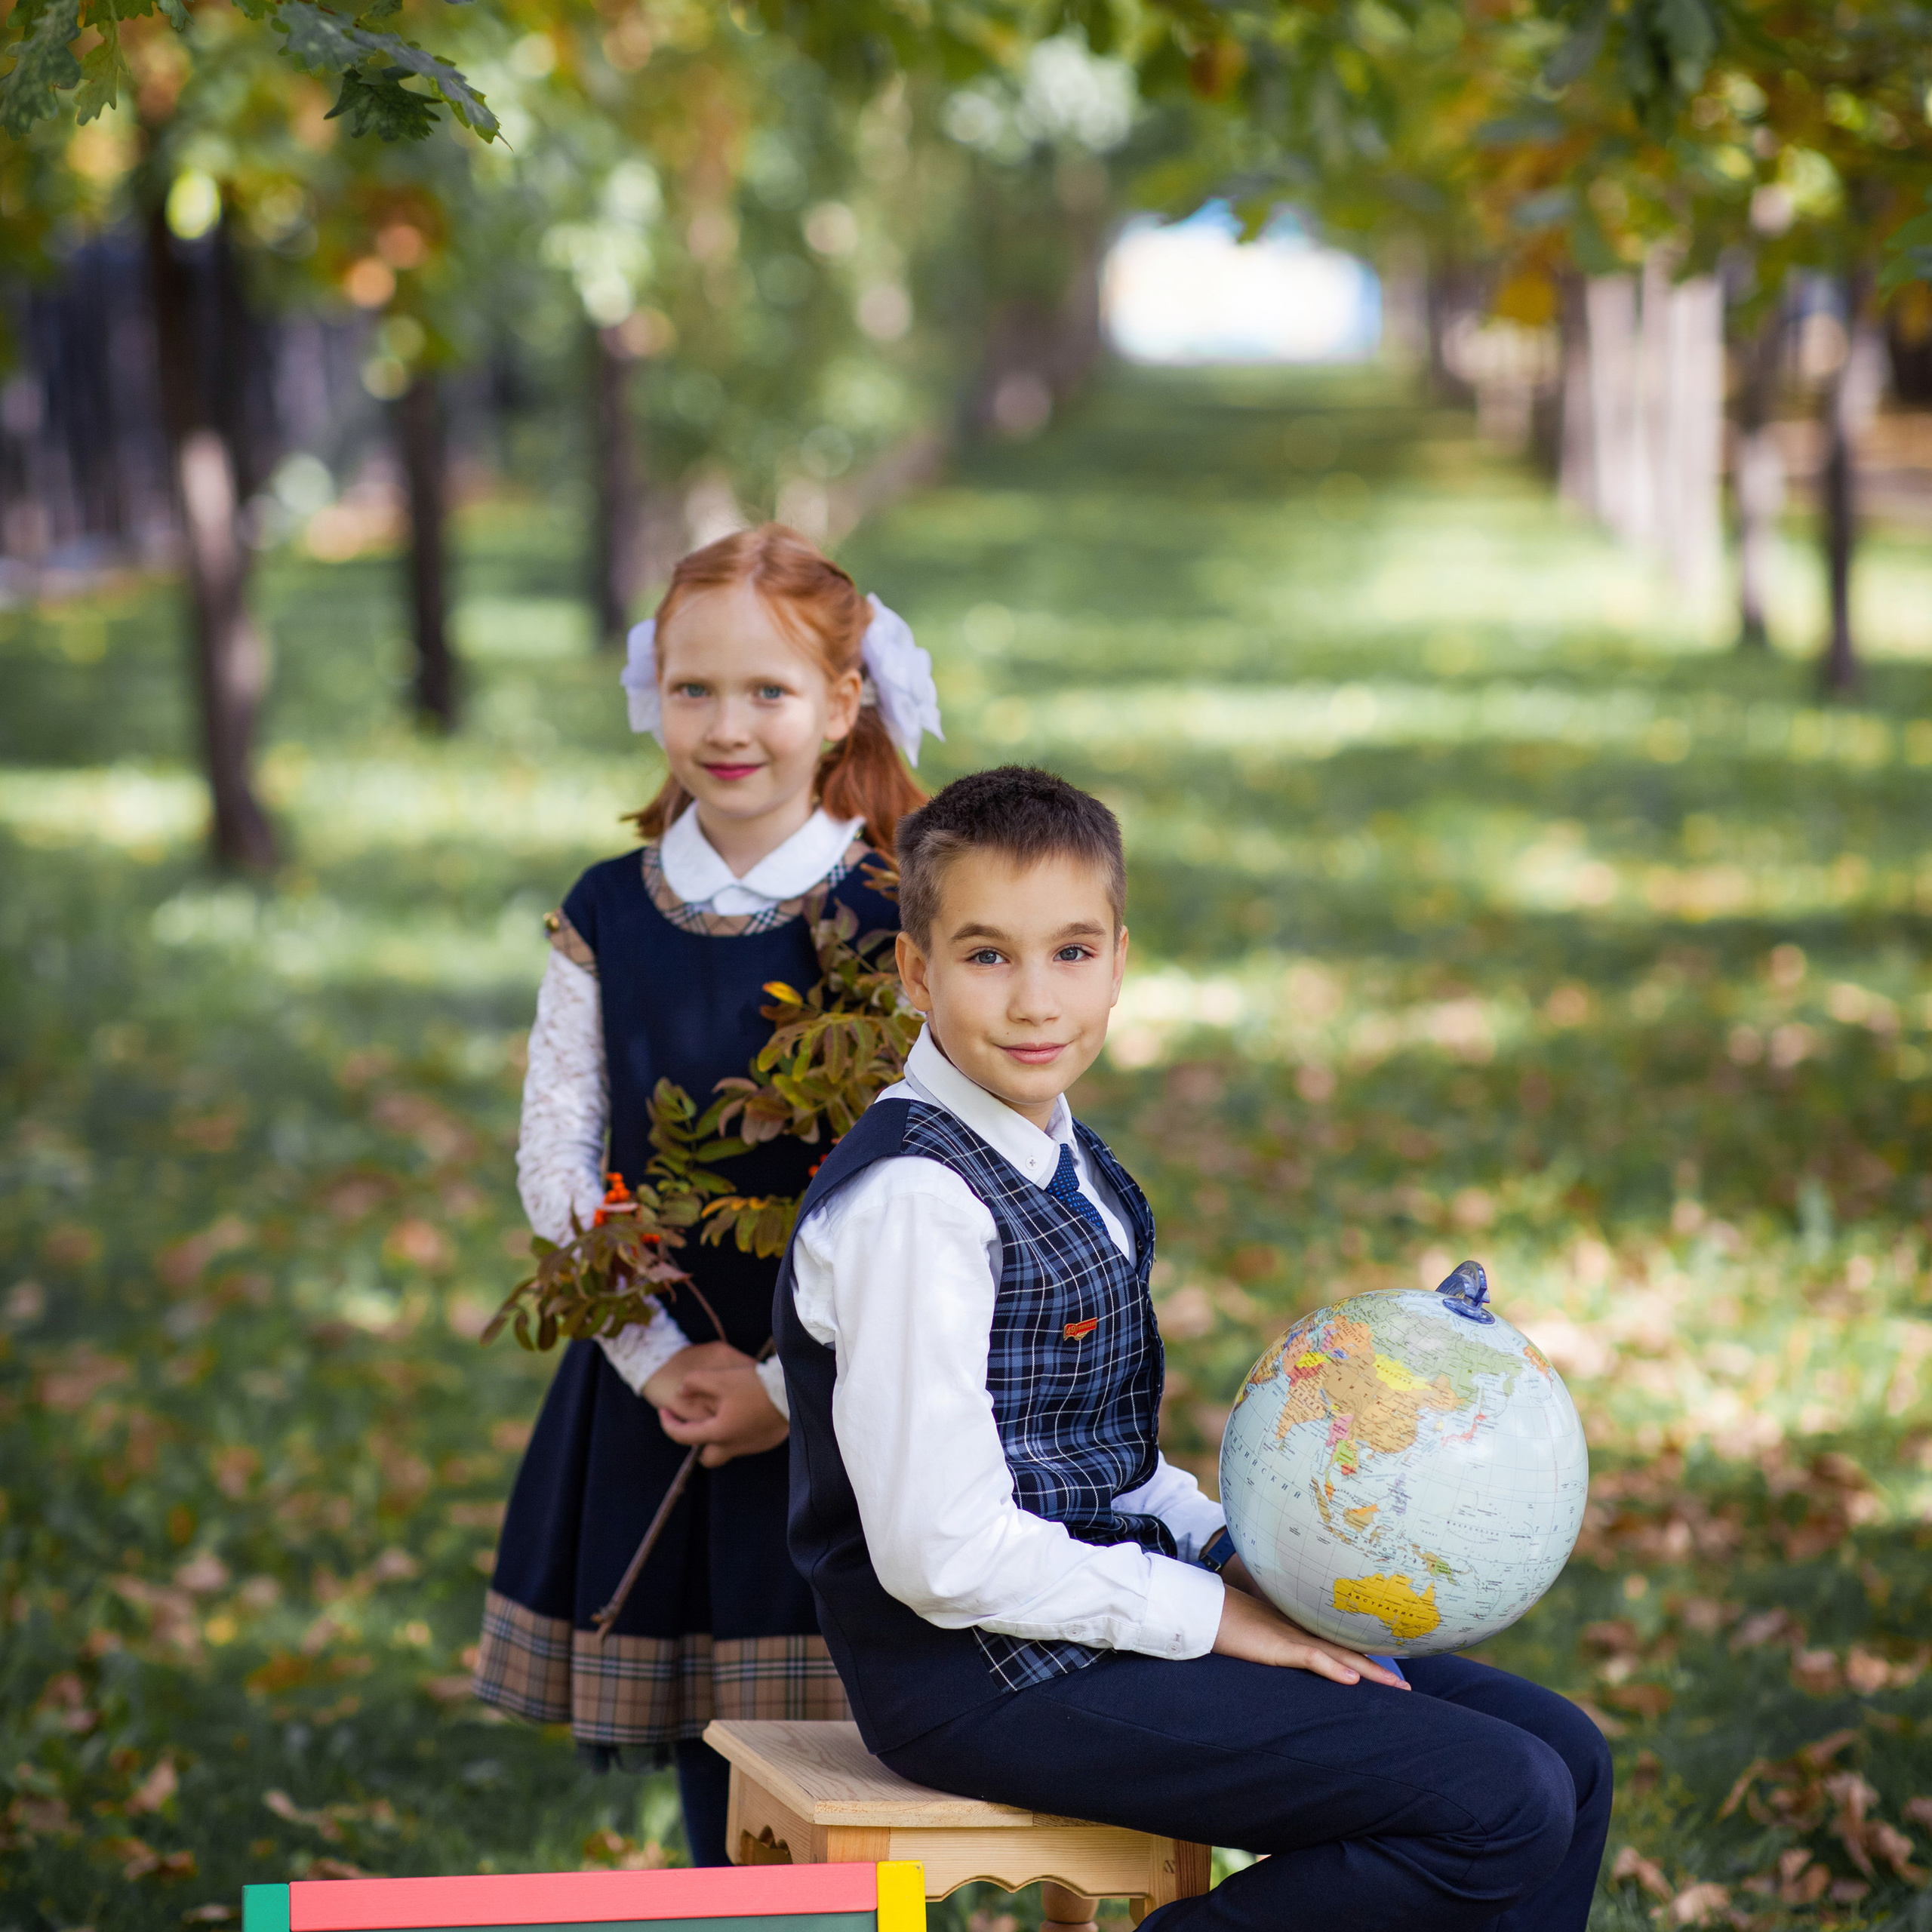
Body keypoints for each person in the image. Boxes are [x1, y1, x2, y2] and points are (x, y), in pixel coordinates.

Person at [773, 766, 1612, 1932]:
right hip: (972, 1679)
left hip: (1088, 1622)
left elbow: (1104, 1465)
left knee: (1562, 1755)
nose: (1034, 1001)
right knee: (1500, 1800)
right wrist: (1217, 1622)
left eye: (1071, 953)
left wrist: (1243, 1566)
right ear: (915, 972)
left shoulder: (1072, 1163)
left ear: (1120, 959)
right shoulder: (916, 1206)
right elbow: (941, 1558)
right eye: (986, 956)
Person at [474, 525, 939, 1866]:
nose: (727, 726)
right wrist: (665, 1362)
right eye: (694, 690)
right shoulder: (611, 908)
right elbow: (557, 1158)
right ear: (651, 697)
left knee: (860, 1740)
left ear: (842, 702)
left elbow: (932, 1182)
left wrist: (785, 1385)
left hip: (846, 1385)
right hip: (663, 1378)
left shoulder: (894, 907)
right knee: (711, 1743)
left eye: (768, 692)